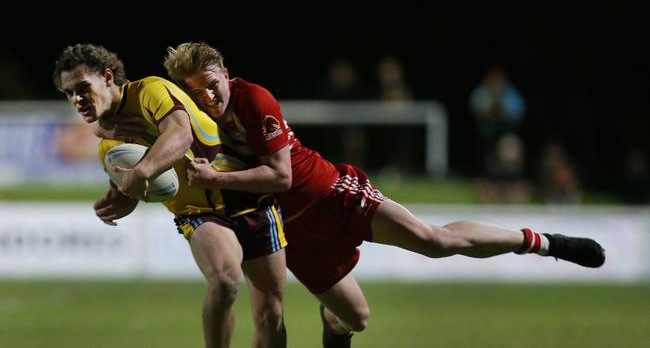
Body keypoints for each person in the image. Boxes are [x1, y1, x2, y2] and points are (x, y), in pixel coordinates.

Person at [162, 42, 605, 348]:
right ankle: (333, 326)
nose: (207, 95)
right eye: (196, 90)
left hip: (332, 194)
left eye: (211, 82)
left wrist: (214, 179)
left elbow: (280, 177)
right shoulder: (194, 119)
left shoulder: (254, 99)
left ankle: (544, 243)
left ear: (224, 71)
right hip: (290, 234)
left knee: (434, 242)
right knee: (356, 318)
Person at [52, 43, 287, 348]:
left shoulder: (149, 90)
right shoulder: (107, 147)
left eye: (83, 88)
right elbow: (135, 190)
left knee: (271, 317)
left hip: (247, 196)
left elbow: (180, 133)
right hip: (198, 212)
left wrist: (140, 172)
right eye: (69, 93)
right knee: (226, 281)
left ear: (108, 76)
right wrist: (119, 199)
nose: (77, 99)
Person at [469, 65, 526, 175]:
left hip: (507, 135)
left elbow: (516, 115)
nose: (495, 81)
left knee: (511, 150)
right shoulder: (481, 92)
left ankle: (511, 181)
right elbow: (475, 110)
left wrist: (499, 110)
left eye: (498, 79)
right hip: (485, 136)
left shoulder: (511, 94)